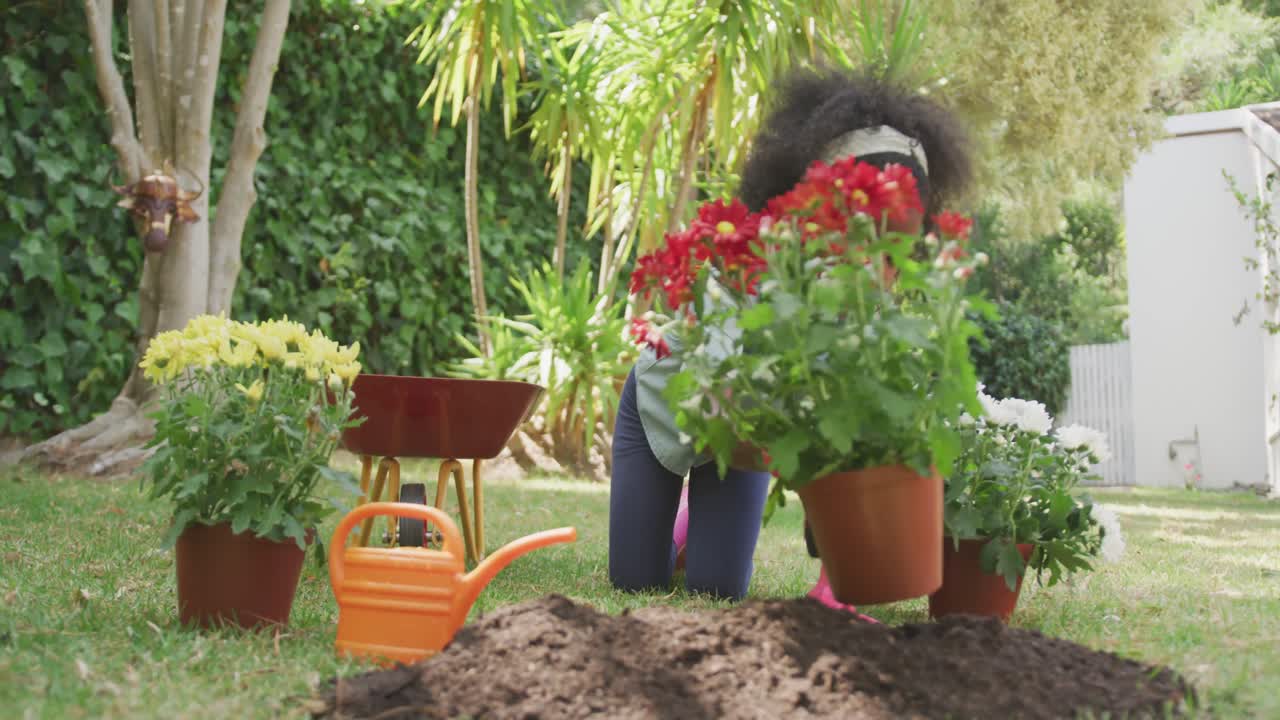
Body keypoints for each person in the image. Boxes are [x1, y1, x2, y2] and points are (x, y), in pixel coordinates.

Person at [608, 67, 973, 609]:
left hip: (736, 451)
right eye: (863, 221)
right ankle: (683, 517)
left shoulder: (870, 304)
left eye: (897, 233)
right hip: (667, 412)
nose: (878, 256)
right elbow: (736, 403)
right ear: (820, 205)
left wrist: (838, 581)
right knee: (635, 585)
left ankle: (697, 519)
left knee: (718, 591)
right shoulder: (754, 264)